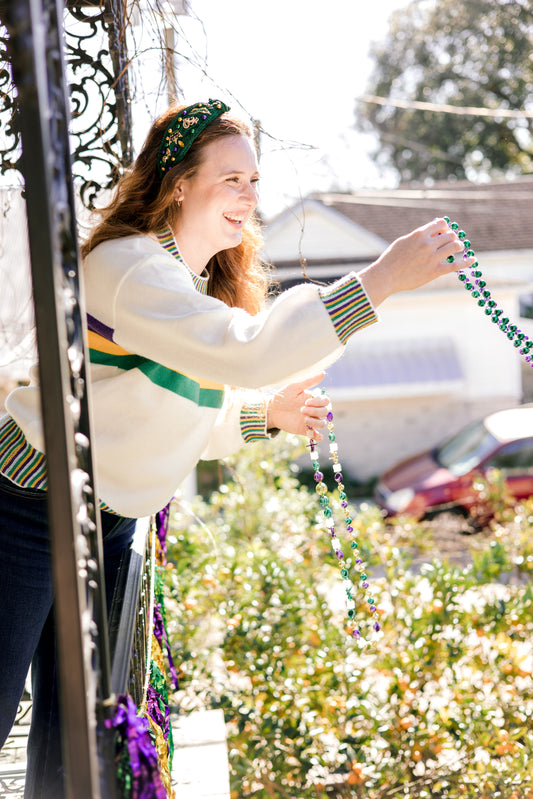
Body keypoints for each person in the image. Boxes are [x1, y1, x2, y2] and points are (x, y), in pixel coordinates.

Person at [0, 98, 473, 798]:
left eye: (254, 182)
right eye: (232, 180)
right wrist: (381, 280)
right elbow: (248, 355)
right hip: (29, 506)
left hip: (103, 517)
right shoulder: (132, 269)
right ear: (179, 182)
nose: (250, 197)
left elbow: (179, 413)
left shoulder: (181, 284)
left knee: (78, 740)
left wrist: (266, 416)